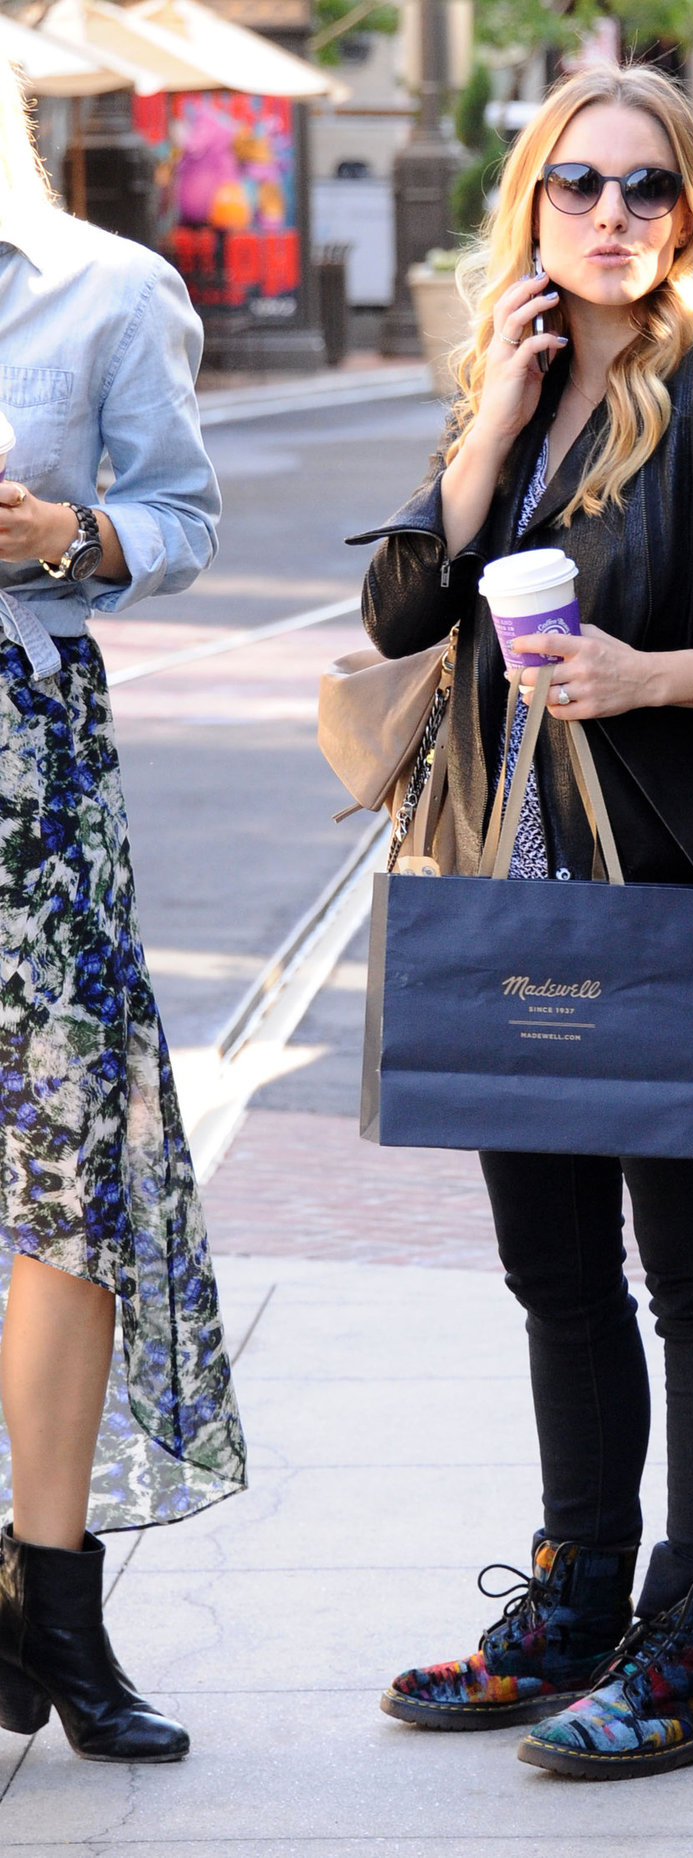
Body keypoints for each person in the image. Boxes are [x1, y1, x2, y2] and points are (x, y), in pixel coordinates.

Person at [352, 63, 693, 1780]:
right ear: (532, 202)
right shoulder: (513, 378)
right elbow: (403, 607)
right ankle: (574, 1607)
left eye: (645, 188)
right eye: (577, 184)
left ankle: (690, 1647)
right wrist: (485, 428)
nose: (610, 216)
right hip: (509, 892)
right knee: (553, 1278)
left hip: (670, 904)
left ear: (690, 205)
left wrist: (651, 674)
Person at [0, 59, 245, 1763]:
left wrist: (66, 527)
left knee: (63, 1181)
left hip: (27, 771)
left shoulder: (108, 289)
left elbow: (182, 518)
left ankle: (54, 1600)